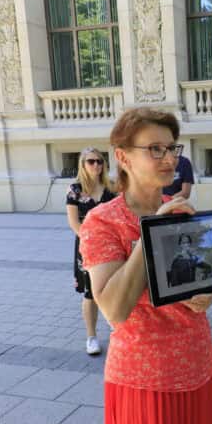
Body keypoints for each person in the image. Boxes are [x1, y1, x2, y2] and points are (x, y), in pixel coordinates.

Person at [81, 108, 212, 424]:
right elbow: (114, 309)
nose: (168, 159)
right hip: (146, 383)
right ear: (123, 157)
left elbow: (200, 281)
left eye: (172, 149)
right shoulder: (102, 222)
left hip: (198, 369)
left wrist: (206, 293)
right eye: (155, 149)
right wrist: (151, 233)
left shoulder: (182, 209)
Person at [66, 148, 116, 355]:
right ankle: (91, 337)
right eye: (91, 162)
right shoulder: (75, 190)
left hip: (111, 246)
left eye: (100, 161)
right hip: (87, 248)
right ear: (83, 165)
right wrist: (91, 243)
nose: (96, 165)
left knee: (113, 288)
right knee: (90, 294)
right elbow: (74, 223)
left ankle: (117, 327)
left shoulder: (110, 188)